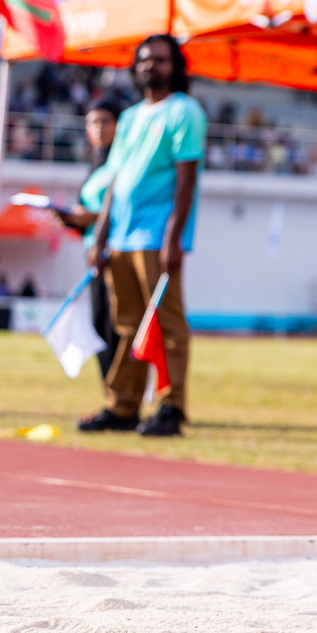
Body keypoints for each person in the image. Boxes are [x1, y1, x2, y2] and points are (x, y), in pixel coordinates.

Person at [80, 35, 206, 439]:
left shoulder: (185, 112)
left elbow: (186, 181)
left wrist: (174, 237)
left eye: (161, 60)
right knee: (127, 325)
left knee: (166, 324)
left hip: (156, 236)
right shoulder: (132, 116)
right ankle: (123, 406)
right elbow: (114, 181)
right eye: (145, 60)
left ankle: (171, 406)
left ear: (177, 65)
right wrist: (99, 236)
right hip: (121, 236)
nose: (151, 66)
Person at [55, 97, 123, 377]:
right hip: (94, 251)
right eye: (92, 122)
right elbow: (89, 215)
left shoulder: (123, 161)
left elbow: (123, 208)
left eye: (105, 121)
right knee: (99, 323)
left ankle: (123, 398)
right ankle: (110, 393)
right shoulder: (95, 163)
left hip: (117, 251)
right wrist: (71, 219)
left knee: (116, 324)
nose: (98, 128)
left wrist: (92, 218)